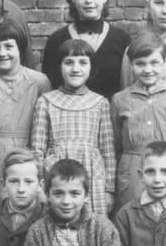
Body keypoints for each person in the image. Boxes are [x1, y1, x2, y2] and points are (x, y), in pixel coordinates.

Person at [31, 39, 116, 216]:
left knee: (91, 223)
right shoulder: (46, 101)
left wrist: (109, 190)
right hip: (56, 173)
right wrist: (39, 185)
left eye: (83, 62)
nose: (75, 69)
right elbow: (37, 150)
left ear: (92, 67)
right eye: (68, 62)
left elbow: (108, 151)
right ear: (59, 66)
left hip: (92, 175)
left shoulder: (100, 103)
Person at [0, 18, 51, 200]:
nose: (2, 53)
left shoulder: (39, 82)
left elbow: (45, 128)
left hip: (27, 154)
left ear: (20, 48)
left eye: (9, 46)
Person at [111, 30, 166, 210]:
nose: (148, 70)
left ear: (164, 63)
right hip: (131, 173)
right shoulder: (120, 100)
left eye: (154, 63)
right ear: (131, 65)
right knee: (133, 217)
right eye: (140, 63)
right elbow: (116, 144)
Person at [41, 0, 131, 100]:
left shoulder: (122, 40)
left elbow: (127, 89)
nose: (88, 0)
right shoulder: (56, 40)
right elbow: (50, 88)